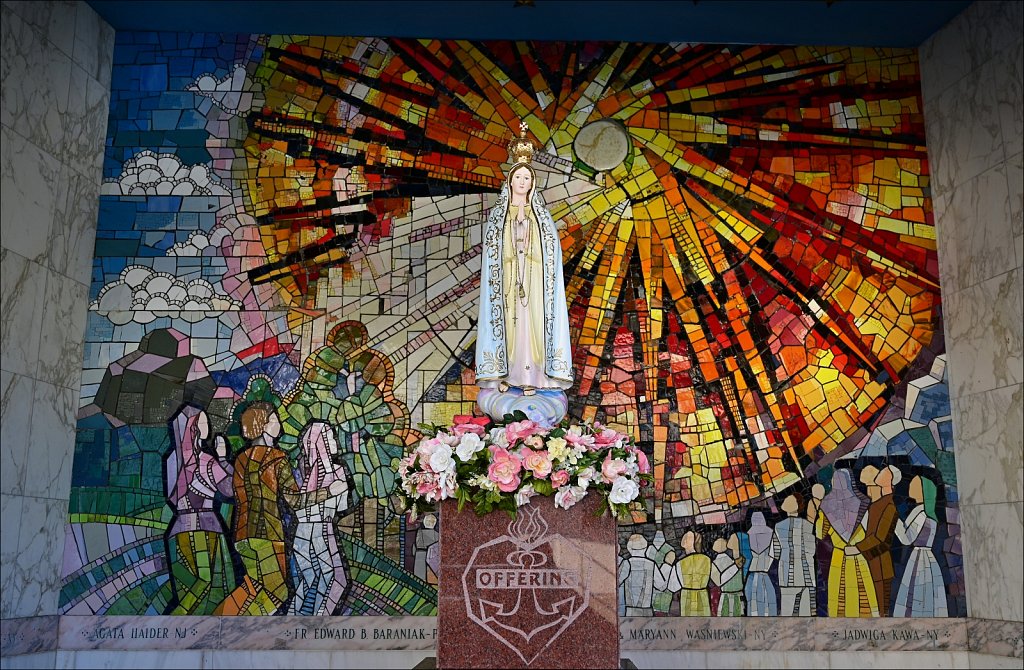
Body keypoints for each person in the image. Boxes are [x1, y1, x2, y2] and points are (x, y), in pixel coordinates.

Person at [475, 122, 573, 421]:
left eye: (526, 178)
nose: (521, 182)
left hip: (533, 286)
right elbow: (493, 251)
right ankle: (507, 378)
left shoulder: (540, 217)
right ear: (510, 181)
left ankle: (534, 379)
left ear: (532, 183)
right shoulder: (499, 216)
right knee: (509, 328)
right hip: (506, 285)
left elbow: (550, 252)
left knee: (532, 329)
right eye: (517, 177)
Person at [215, 402, 345, 615]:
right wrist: (329, 491)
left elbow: (234, 494)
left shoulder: (240, 459)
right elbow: (295, 501)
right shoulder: (277, 458)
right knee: (278, 592)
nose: (279, 424)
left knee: (252, 587)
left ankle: (218, 619)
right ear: (263, 425)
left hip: (241, 535)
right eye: (274, 419)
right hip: (268, 534)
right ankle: (238, 628)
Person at [163, 406, 235, 615]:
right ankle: (177, 620)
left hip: (178, 531)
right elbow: (229, 489)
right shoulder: (206, 460)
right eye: (203, 422)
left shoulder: (171, 461)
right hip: (205, 528)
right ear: (193, 427)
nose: (208, 426)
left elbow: (171, 496)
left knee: (188, 587)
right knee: (211, 585)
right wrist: (223, 458)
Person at [288, 421, 353, 616]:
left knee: (309, 580)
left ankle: (294, 618)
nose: (335, 443)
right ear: (322, 442)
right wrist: (333, 491)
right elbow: (342, 506)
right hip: (321, 530)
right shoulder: (337, 473)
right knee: (336, 578)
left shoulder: (300, 472)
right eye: (331, 438)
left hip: (301, 532)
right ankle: (320, 620)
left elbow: (295, 503)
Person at [816, 469, 879, 617]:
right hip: (858, 556)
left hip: (839, 557)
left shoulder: (826, 504)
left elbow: (820, 533)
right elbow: (869, 530)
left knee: (840, 596)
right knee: (863, 594)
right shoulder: (864, 503)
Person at [892, 475, 948, 617]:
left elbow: (907, 538)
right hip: (922, 557)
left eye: (915, 484)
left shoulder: (922, 515)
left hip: (920, 558)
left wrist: (895, 521)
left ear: (923, 491)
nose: (910, 486)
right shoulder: (921, 512)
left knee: (918, 588)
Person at [857, 464, 900, 616]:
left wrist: (857, 548)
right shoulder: (876, 504)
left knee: (881, 609)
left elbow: (881, 538)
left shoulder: (889, 505)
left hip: (880, 564)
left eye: (885, 471)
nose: (881, 472)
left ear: (889, 480)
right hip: (871, 563)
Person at [775, 493, 816, 616]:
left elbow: (776, 553)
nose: (785, 500)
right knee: (805, 612)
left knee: (788, 612)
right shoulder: (808, 526)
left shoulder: (778, 527)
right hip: (807, 575)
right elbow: (811, 549)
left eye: (788, 499)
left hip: (787, 577)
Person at [745, 512, 780, 616]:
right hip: (766, 575)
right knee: (767, 605)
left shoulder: (748, 535)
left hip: (751, 576)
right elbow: (776, 554)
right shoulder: (772, 535)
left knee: (753, 605)